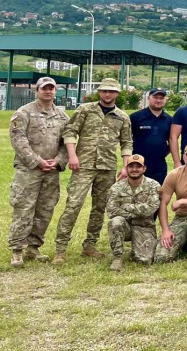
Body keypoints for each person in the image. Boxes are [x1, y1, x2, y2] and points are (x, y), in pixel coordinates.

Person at [54, 78, 133, 264]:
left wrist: (125, 165)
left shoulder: (122, 117)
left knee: (100, 208)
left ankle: (90, 245)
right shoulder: (86, 110)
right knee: (73, 206)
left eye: (111, 91)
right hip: (83, 165)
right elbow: (70, 131)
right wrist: (72, 155)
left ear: (117, 94)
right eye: (105, 91)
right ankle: (61, 249)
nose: (108, 94)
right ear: (100, 92)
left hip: (107, 167)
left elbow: (127, 142)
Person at [8, 76, 69, 268]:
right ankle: (17, 250)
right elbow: (18, 140)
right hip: (28, 170)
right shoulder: (23, 113)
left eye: (51, 88)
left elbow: (67, 143)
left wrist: (58, 161)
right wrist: (37, 161)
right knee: (24, 208)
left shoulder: (62, 116)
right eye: (44, 88)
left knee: (45, 209)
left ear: (55, 91)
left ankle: (33, 248)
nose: (48, 91)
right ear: (37, 90)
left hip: (52, 172)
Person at [106, 154, 161, 271]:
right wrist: (138, 212)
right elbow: (111, 211)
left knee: (144, 260)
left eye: (138, 166)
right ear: (126, 168)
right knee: (115, 222)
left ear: (144, 169)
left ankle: (136, 250)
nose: (134, 169)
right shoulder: (117, 187)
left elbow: (151, 209)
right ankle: (117, 258)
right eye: (131, 166)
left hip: (144, 227)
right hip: (125, 226)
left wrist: (127, 207)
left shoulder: (153, 185)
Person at [130, 87, 173, 185]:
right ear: (149, 98)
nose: (158, 100)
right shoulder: (136, 117)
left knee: (158, 195)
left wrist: (163, 152)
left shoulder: (169, 120)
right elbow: (126, 140)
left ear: (165, 99)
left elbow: (172, 141)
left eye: (161, 98)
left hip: (160, 165)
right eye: (155, 97)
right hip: (138, 164)